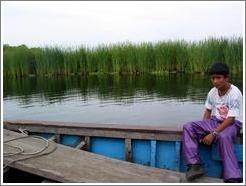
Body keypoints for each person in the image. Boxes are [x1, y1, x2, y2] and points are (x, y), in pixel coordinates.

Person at [182, 62, 243, 183]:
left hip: (232, 123)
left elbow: (231, 119)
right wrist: (204, 130)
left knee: (224, 136)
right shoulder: (212, 92)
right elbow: (208, 111)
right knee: (188, 127)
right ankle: (195, 165)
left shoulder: (235, 93)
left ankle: (233, 176)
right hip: (215, 121)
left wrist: (213, 133)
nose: (215, 81)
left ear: (226, 78)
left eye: (218, 78)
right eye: (213, 78)